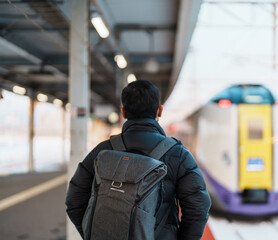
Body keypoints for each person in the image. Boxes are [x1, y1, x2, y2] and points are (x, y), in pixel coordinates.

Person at [65, 80, 211, 240]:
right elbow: (198, 209)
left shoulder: (102, 151)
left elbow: (74, 201)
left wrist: (91, 233)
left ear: (123, 112)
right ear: (159, 111)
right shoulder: (178, 154)